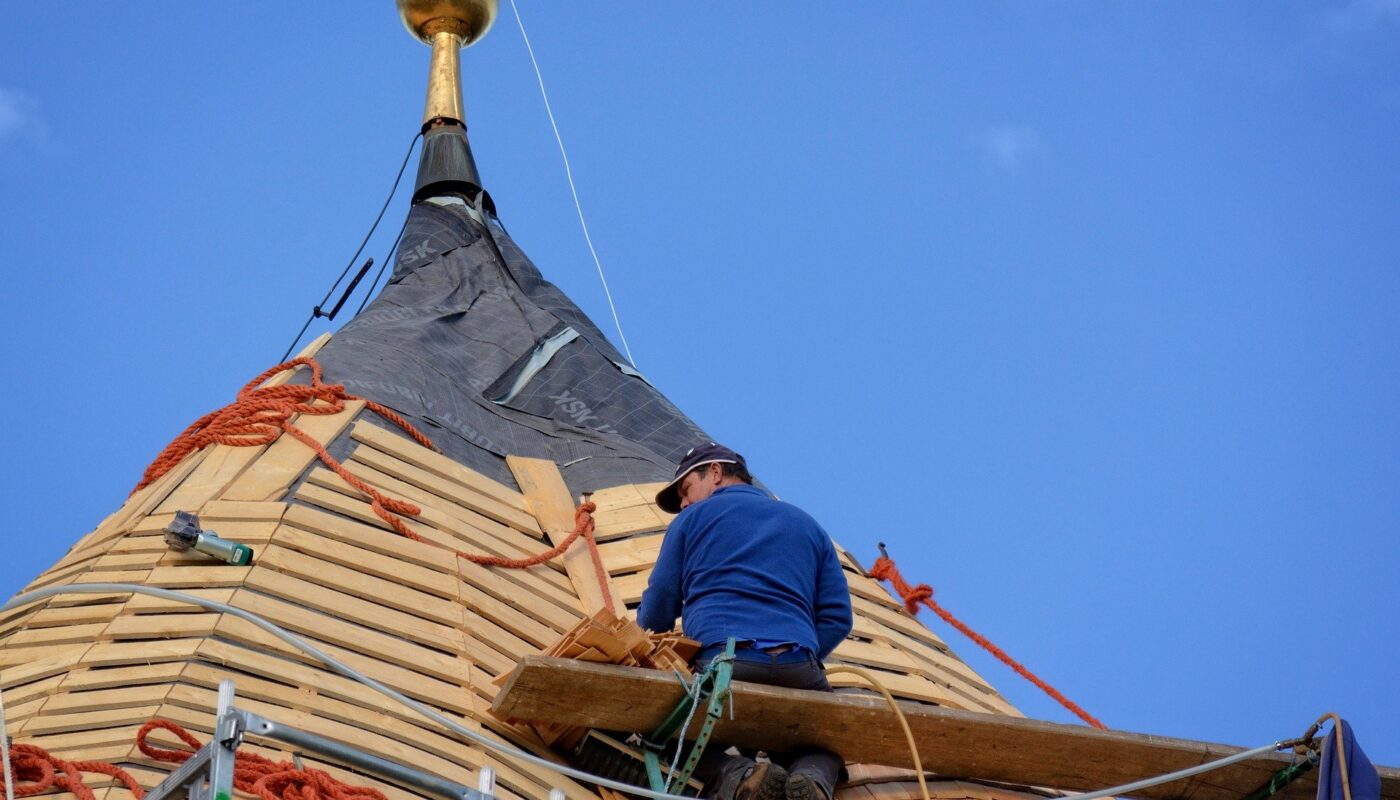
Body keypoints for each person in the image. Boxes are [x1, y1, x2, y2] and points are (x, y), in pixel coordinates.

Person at [638, 443, 853, 800]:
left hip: (723, 661)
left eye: (686, 490)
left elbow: (659, 606)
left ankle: (738, 775)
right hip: (799, 664)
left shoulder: (691, 521)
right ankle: (811, 781)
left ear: (716, 473)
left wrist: (643, 638)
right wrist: (798, 651)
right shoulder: (806, 524)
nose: (686, 503)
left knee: (662, 732)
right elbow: (837, 616)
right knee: (825, 744)